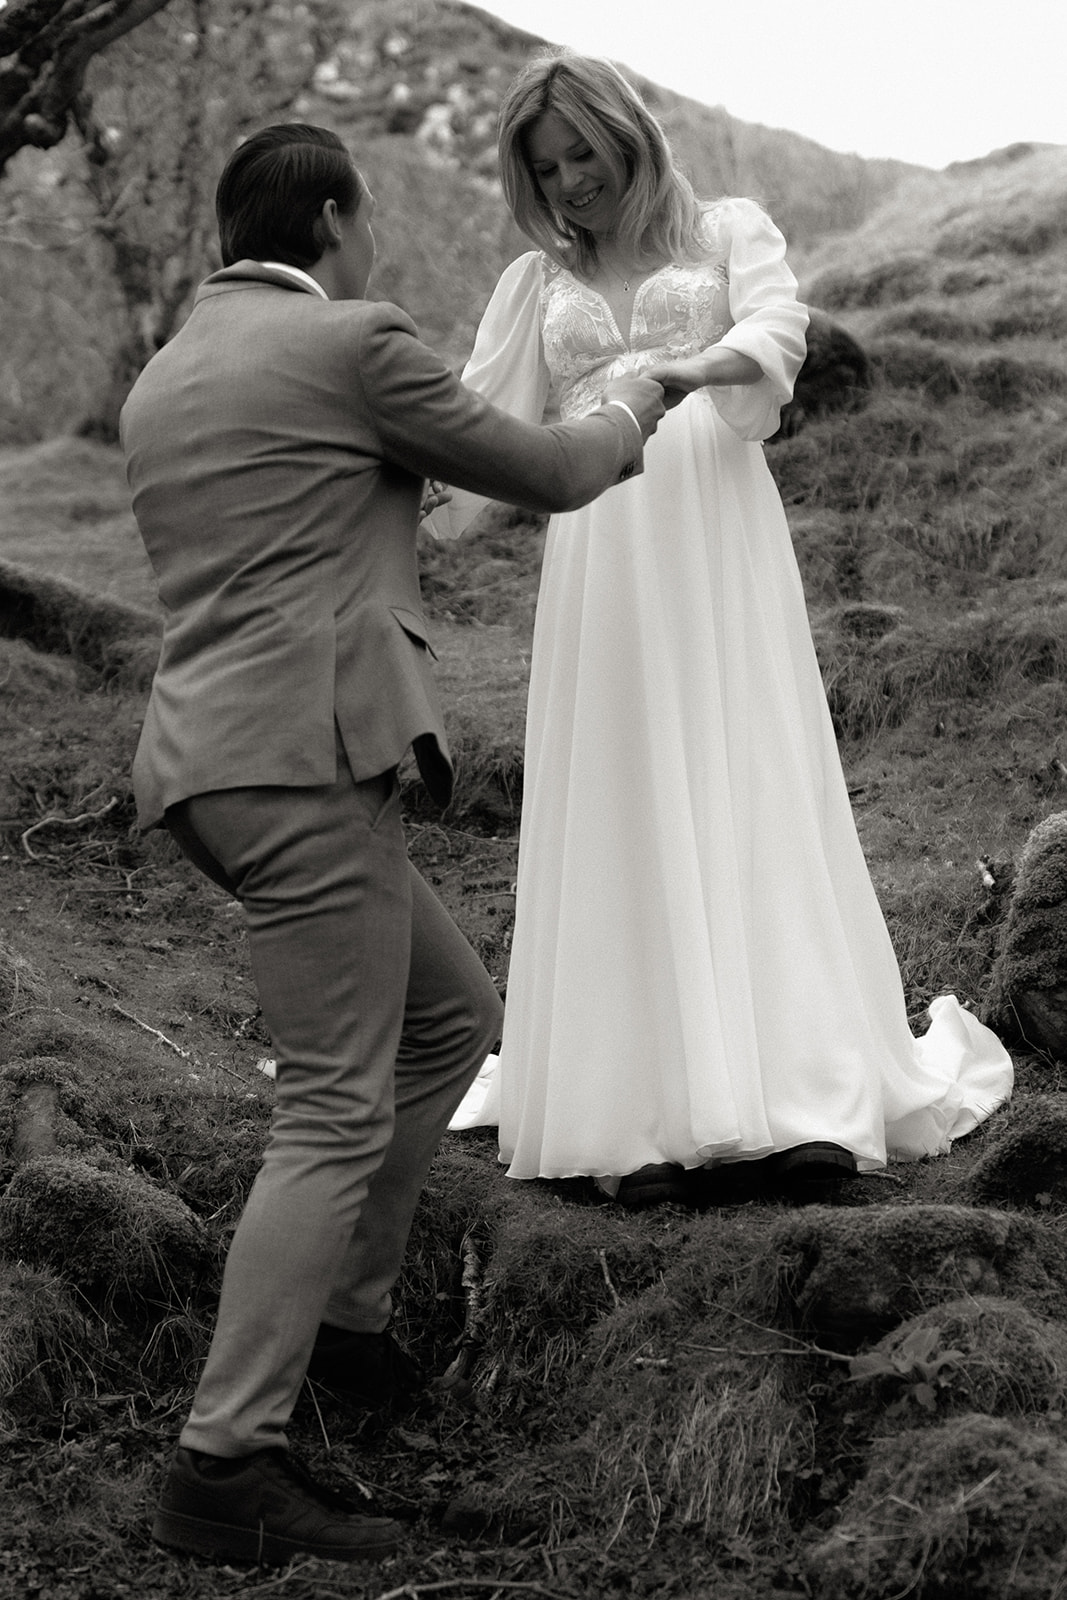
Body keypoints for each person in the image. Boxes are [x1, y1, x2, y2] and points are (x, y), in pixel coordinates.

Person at [120, 121, 665, 1566]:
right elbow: (548, 469)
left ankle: (348, 1332)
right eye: (363, 221)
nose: (371, 246)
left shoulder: (169, 375)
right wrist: (639, 398)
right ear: (331, 219)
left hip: (208, 765)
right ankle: (226, 1463)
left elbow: (309, 518)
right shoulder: (349, 343)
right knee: (329, 1111)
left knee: (445, 1020)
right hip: (305, 761)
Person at [444, 52, 1012, 1205]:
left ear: (626, 136)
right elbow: (471, 440)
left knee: (744, 768)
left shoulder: (724, 234)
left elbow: (775, 337)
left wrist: (675, 372)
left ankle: (798, 1093)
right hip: (599, 549)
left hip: (714, 527)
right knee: (624, 783)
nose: (568, 183)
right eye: (544, 169)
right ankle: (633, 1113)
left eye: (581, 154)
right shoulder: (531, 285)